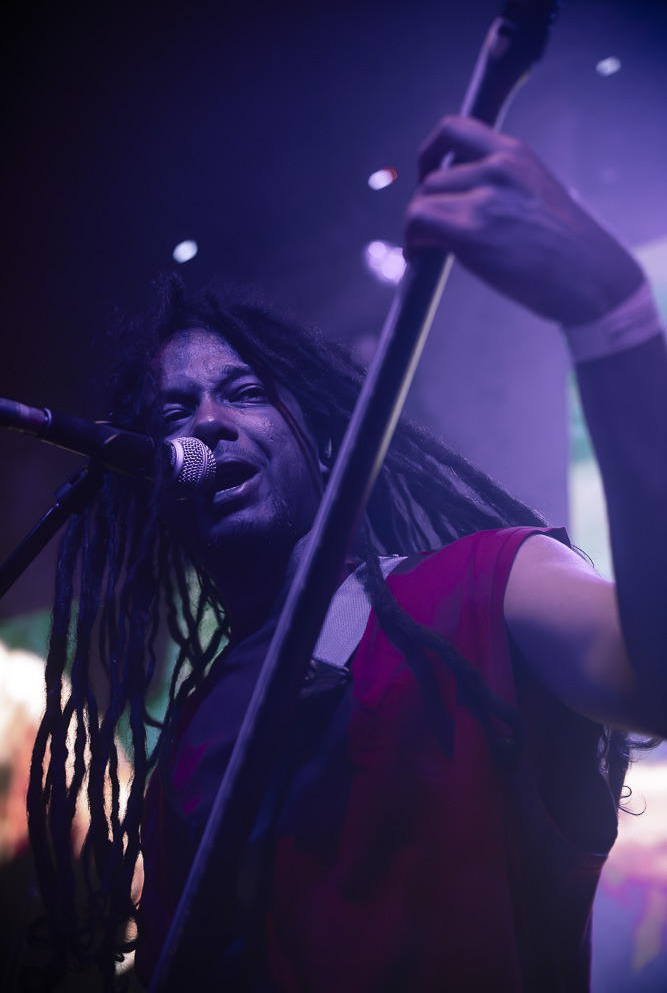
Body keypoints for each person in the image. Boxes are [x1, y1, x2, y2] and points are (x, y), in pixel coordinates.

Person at [26, 115, 667, 992]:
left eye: (245, 393)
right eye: (174, 413)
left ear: (326, 444)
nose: (207, 423)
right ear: (152, 481)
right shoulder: (196, 730)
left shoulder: (490, 584)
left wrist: (611, 315)